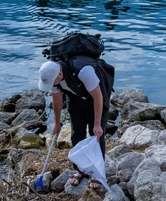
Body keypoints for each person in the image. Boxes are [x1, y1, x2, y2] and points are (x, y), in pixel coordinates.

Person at [38, 57, 111, 190]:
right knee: (77, 133)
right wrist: (56, 122)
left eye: (53, 82)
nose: (52, 85)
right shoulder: (55, 78)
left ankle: (96, 174)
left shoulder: (84, 72)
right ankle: (80, 169)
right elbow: (57, 99)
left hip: (95, 99)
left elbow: (98, 97)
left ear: (60, 74)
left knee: (97, 135)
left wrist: (97, 124)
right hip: (76, 98)